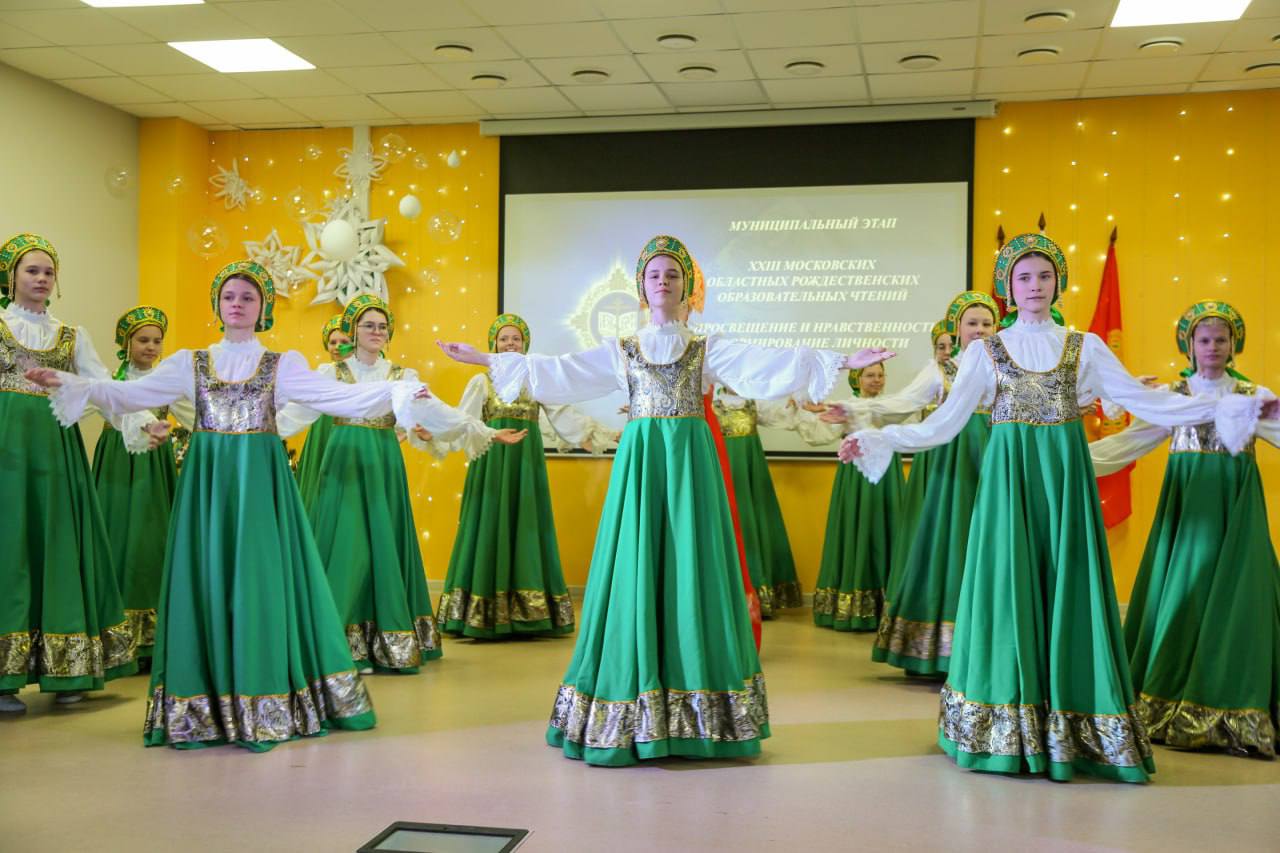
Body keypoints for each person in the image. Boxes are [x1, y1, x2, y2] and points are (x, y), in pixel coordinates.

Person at [437, 234, 892, 766]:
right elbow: (562, 370)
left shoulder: (707, 347)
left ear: (685, 286)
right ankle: (631, 699)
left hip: (691, 466)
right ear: (642, 287)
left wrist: (844, 360)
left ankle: (700, 703)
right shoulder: (622, 348)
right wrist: (485, 358)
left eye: (672, 275)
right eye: (654, 275)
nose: (663, 282)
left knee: (693, 564)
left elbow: (767, 364)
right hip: (643, 463)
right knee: (637, 561)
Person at [840, 232, 1272, 783]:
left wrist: (1234, 408)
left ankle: (1076, 721)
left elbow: (1145, 402)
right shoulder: (984, 352)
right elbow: (943, 423)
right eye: (1024, 277)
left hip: (1065, 486)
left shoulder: (1084, 346)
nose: (1035, 286)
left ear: (1058, 283)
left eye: (1044, 275)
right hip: (1009, 488)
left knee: (1070, 586)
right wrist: (881, 437)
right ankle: (1004, 720)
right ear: (1008, 287)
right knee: (1008, 586)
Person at [28, 261, 497, 750]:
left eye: (248, 297)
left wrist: (397, 389)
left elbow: (340, 397)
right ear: (217, 305)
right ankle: (203, 706)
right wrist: (73, 384)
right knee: (208, 578)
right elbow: (129, 394)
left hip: (260, 488)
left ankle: (266, 692)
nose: (237, 304)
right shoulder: (190, 362)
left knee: (260, 580)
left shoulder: (282, 364)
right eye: (229, 296)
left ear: (263, 307)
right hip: (209, 490)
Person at [284, 295, 525, 671]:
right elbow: (298, 410)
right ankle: (339, 644)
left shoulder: (402, 376)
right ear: (353, 330)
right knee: (346, 546)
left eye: (382, 326)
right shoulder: (331, 373)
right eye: (369, 325)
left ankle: (383, 641)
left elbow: (436, 412)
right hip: (344, 460)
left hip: (382, 461)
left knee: (382, 543)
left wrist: (485, 431)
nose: (376, 331)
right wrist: (259, 430)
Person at [1091, 300, 1279, 757]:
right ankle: (1168, 693)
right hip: (1187, 509)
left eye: (1221, 339)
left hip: (1236, 511)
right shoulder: (1173, 396)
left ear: (1234, 345)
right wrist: (1075, 459)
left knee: (1238, 594)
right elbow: (1133, 441)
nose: (1213, 347)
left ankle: (1235, 701)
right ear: (1189, 345)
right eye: (1204, 339)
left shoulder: (1252, 394)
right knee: (1182, 591)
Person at [0, 233, 136, 715]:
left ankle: (68, 668)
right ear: (10, 276)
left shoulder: (71, 336)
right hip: (7, 459)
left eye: (48, 272)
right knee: (10, 552)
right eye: (31, 270)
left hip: (57, 461)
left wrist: (140, 423)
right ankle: (5, 679)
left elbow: (103, 389)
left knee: (59, 549)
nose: (41, 278)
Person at [438, 312, 614, 639]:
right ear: (493, 344)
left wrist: (605, 435)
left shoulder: (536, 381)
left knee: (527, 524)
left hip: (526, 467)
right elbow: (463, 420)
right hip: (492, 462)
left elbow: (565, 416)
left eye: (516, 339)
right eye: (504, 339)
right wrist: (434, 429)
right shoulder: (481, 382)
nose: (510, 343)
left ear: (524, 345)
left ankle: (529, 614)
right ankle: (480, 612)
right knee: (489, 521)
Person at [872, 293, 997, 674]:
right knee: (950, 540)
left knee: (991, 542)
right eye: (972, 323)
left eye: (987, 323)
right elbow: (901, 403)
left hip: (993, 461)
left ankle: (989, 646)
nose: (979, 330)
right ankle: (938, 648)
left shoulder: (1004, 367)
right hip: (954, 464)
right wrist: (854, 408)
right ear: (957, 329)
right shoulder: (942, 372)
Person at [91, 305, 188, 667]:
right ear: (126, 343)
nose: (150, 347)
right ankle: (112, 633)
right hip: (115, 463)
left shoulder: (167, 383)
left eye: (157, 341)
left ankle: (151, 641)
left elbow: (197, 414)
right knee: (115, 536)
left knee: (151, 540)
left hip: (153, 467)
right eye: (143, 340)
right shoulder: (110, 380)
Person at [807, 362, 905, 631]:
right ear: (856, 379)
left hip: (887, 474)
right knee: (856, 526)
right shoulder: (847, 407)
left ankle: (888, 606)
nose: (877, 379)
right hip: (856, 475)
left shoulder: (892, 406)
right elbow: (819, 434)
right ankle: (853, 604)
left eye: (881, 375)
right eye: (870, 375)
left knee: (888, 525)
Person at [294, 313, 348, 505]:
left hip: (345, 431)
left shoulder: (365, 374)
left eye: (344, 341)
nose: (337, 346)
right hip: (322, 429)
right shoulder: (323, 372)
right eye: (333, 342)